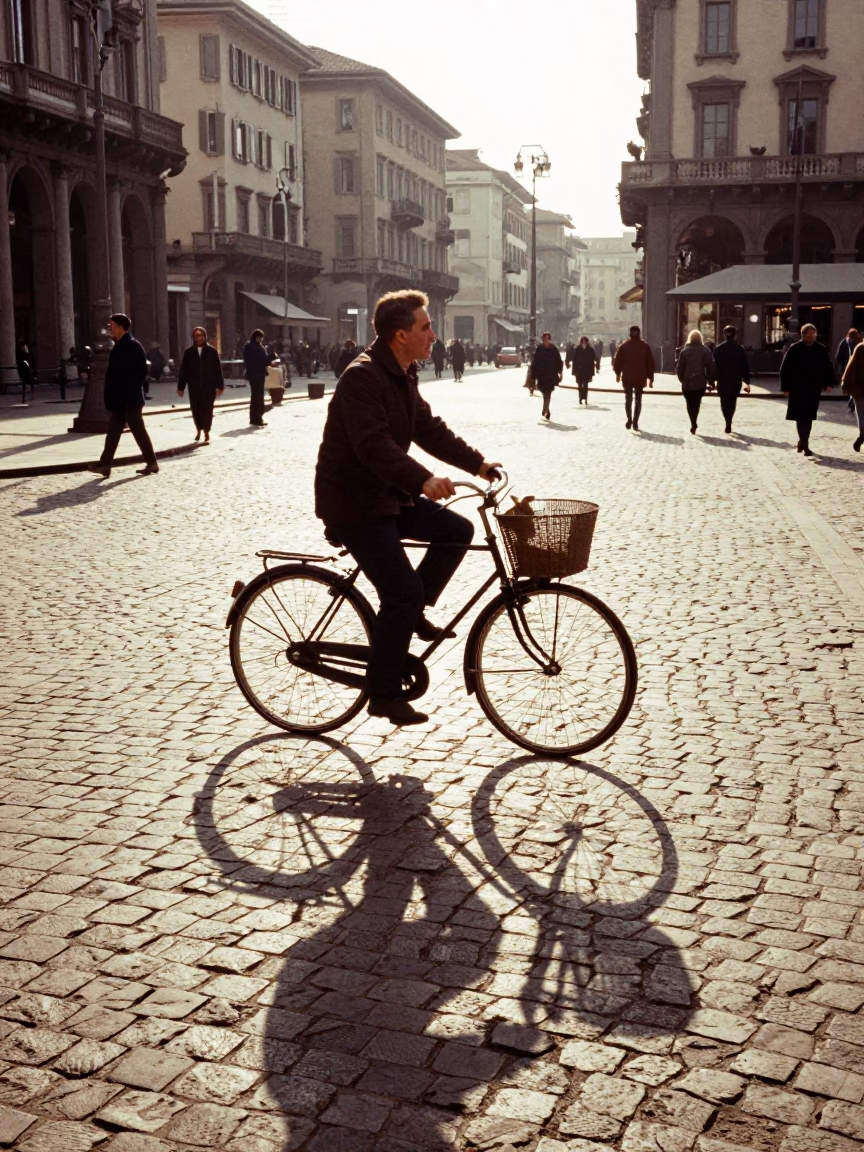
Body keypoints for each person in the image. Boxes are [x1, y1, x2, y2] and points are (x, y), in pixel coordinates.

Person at [315, 289, 500, 727]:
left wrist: (476, 463)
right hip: (355, 503)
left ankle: (410, 615)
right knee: (400, 591)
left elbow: (427, 428)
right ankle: (382, 694)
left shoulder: (402, 372)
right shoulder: (363, 377)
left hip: (387, 496)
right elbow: (373, 445)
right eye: (426, 327)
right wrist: (422, 480)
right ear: (401, 334)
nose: (433, 335)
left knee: (456, 531)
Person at [87, 314, 159, 478]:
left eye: (112, 325)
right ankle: (105, 465)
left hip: (130, 400)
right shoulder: (119, 345)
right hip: (120, 399)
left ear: (120, 327)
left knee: (138, 431)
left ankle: (152, 462)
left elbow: (141, 372)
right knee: (113, 432)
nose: (109, 327)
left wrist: (129, 393)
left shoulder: (133, 345)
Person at [780, 323, 835, 456]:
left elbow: (828, 366)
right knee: (800, 416)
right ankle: (804, 444)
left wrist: (829, 383)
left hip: (813, 388)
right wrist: (785, 387)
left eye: (813, 335)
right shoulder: (795, 349)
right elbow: (785, 368)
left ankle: (803, 441)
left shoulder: (820, 349)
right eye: (808, 335)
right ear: (803, 335)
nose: (811, 338)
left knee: (809, 416)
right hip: (797, 388)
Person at [177, 326, 224, 444]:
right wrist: (181, 387)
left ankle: (207, 431)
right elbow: (184, 370)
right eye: (196, 335)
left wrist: (220, 386)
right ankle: (198, 429)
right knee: (196, 409)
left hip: (209, 386)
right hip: (194, 386)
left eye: (200, 335)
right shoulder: (188, 353)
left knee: (207, 409)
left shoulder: (212, 352)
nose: (198, 338)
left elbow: (217, 369)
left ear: (204, 336)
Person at [613, 325, 655, 431]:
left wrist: (618, 374)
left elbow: (617, 362)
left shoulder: (624, 346)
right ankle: (635, 422)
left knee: (628, 399)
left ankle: (629, 420)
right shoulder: (644, 346)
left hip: (627, 377)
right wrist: (650, 378)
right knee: (638, 400)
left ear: (630, 333)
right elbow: (650, 363)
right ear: (639, 333)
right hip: (640, 377)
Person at [676, 329, 716, 435]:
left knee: (689, 404)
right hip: (700, 381)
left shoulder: (684, 351)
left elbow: (680, 368)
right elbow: (710, 366)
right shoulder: (705, 350)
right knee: (697, 403)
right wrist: (711, 381)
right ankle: (694, 420)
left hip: (687, 382)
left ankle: (693, 422)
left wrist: (682, 379)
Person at [713, 325, 751, 434]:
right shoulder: (740, 349)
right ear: (735, 335)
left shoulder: (719, 349)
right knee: (732, 402)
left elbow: (714, 367)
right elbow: (745, 367)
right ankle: (729, 421)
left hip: (722, 380)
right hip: (735, 380)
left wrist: (712, 381)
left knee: (724, 402)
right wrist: (747, 382)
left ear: (724, 335)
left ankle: (727, 421)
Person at [243, 328, 275, 427]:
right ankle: (257, 418)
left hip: (252, 374)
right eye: (259, 338)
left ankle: (253, 418)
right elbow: (262, 360)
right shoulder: (256, 347)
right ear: (256, 337)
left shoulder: (247, 346)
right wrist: (271, 358)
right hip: (258, 374)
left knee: (255, 397)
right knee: (258, 397)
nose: (261, 340)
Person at [531, 332, 564, 420]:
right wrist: (533, 376)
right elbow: (535, 362)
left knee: (548, 393)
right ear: (543, 340)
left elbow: (558, 361)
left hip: (551, 375)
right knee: (543, 392)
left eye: (548, 339)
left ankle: (545, 409)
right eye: (545, 340)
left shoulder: (553, 349)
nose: (546, 341)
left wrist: (560, 373)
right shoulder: (539, 349)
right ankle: (547, 409)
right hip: (541, 375)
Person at [841, 340, 864, 453]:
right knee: (861, 413)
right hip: (859, 388)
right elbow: (851, 366)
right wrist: (846, 384)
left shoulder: (860, 347)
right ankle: (862, 436)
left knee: (861, 414)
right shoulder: (861, 348)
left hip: (858, 388)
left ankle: (861, 437)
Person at [836, 329, 860, 413]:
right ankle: (852, 403)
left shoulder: (844, 342)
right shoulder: (858, 342)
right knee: (855, 386)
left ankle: (851, 403)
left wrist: (840, 365)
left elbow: (838, 356)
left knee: (851, 385)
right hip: (856, 369)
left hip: (846, 367)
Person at [570, 336, 597, 405]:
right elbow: (574, 360)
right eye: (583, 342)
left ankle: (585, 398)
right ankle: (580, 397)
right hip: (579, 370)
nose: (584, 343)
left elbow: (593, 359)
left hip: (587, 371)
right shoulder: (577, 349)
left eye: (585, 342)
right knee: (579, 385)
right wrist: (574, 371)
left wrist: (594, 368)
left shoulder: (590, 349)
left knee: (585, 385)